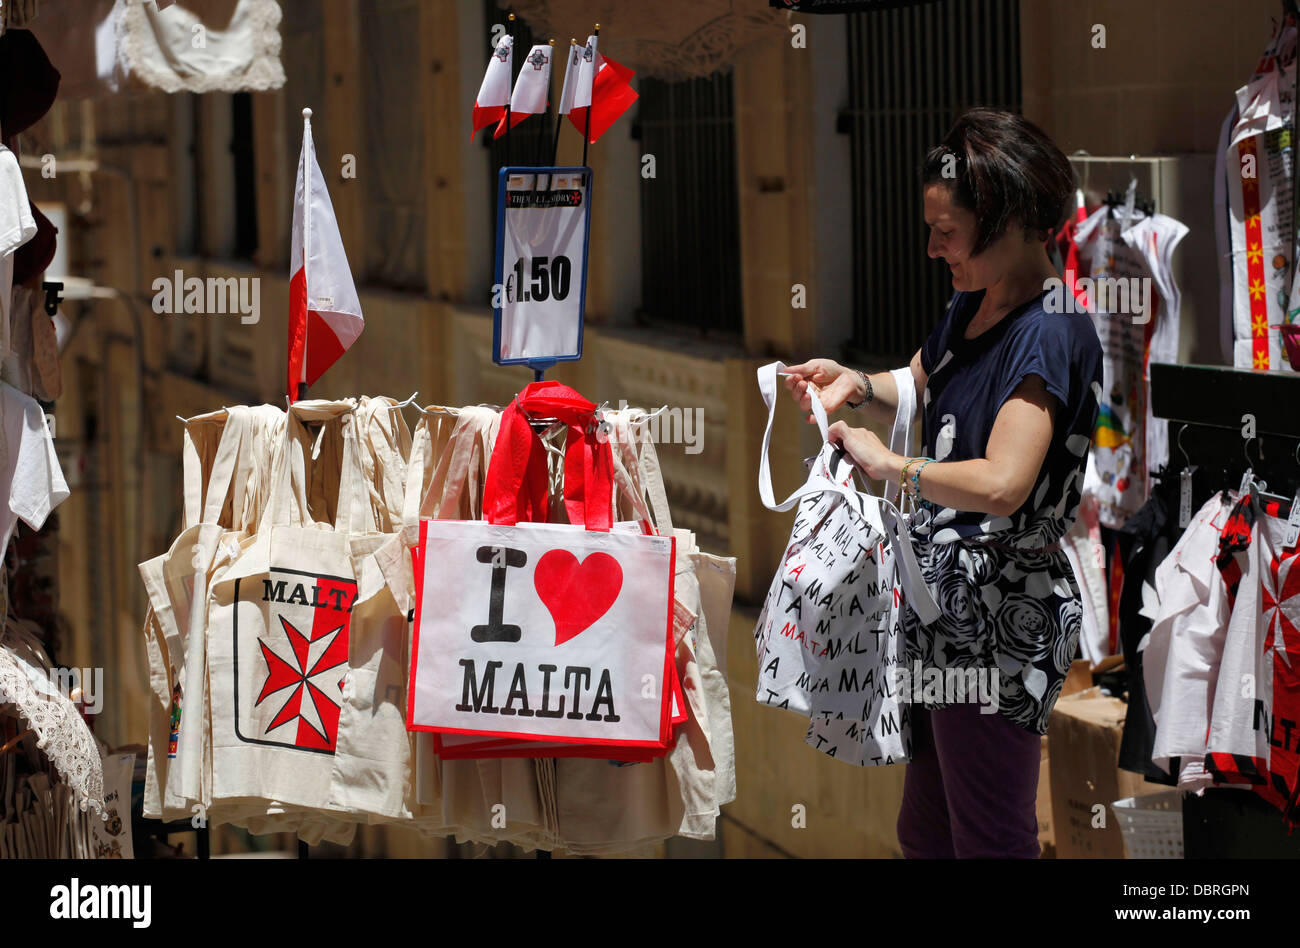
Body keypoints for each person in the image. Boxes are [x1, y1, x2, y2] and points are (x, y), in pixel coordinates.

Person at [783, 108, 1103, 858]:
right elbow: (924, 383)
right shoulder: (975, 302)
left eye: (948, 231)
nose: (933, 248)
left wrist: (894, 468)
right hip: (943, 611)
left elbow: (1003, 482)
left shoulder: (1052, 329)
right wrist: (857, 383)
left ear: (1010, 221)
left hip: (998, 625)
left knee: (988, 836)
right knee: (927, 832)